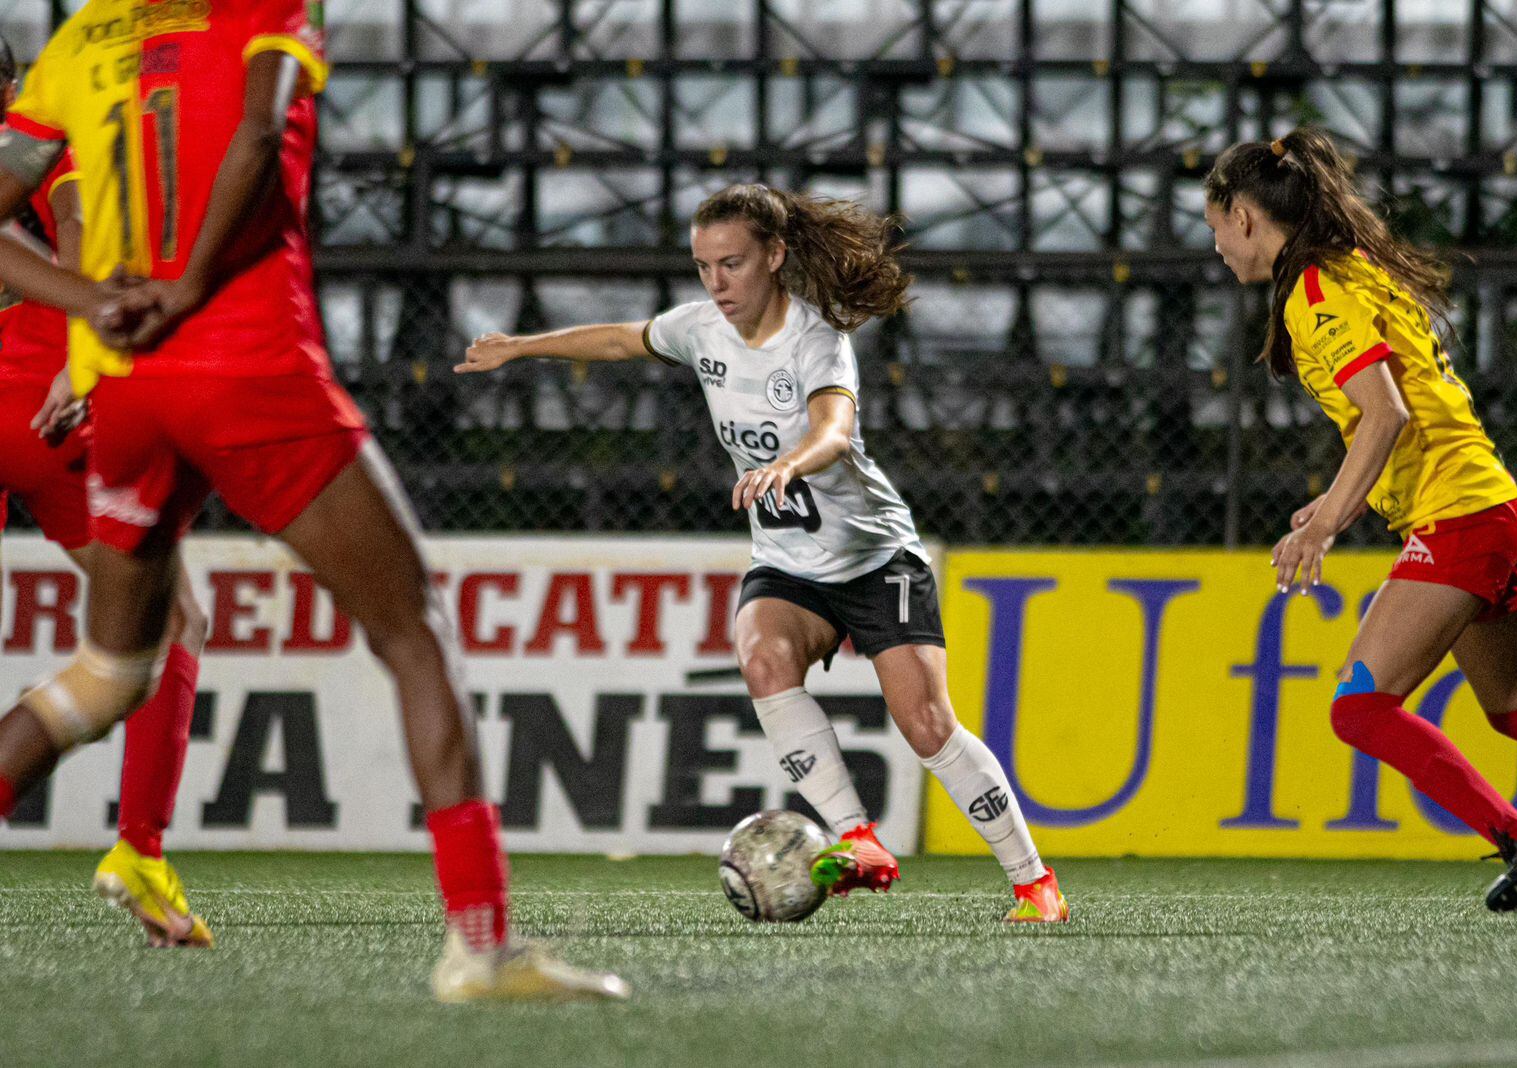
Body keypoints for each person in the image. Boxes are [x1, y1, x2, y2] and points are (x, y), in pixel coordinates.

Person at [0, 1, 625, 1000]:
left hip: (126, 386)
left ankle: (137, 841)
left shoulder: (80, 38)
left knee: (108, 675)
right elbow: (257, 128)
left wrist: (94, 308)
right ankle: (481, 945)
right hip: (247, 366)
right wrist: (190, 281)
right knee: (413, 629)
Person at [457, 183, 1068, 923]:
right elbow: (622, 338)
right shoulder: (700, 329)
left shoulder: (816, 340)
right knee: (760, 655)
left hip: (877, 557)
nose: (716, 283)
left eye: (733, 264)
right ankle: (858, 839)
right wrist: (521, 347)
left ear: (775, 256)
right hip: (789, 562)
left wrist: (792, 463)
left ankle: (1035, 882)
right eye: (704, 265)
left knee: (927, 725)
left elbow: (834, 429)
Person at [1203, 126, 1517, 910]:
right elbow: (1397, 413)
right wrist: (1344, 496)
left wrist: (1324, 527)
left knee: (1359, 708)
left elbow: (1385, 415)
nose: (1217, 248)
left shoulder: (1315, 292)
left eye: (1214, 228)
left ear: (1243, 217)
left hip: (1458, 514)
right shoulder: (1347, 271)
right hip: (1483, 502)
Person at [0, 34, 211, 947]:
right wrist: (85, 358)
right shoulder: (43, 134)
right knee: (168, 622)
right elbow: (85, 230)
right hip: (30, 388)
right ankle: (138, 848)